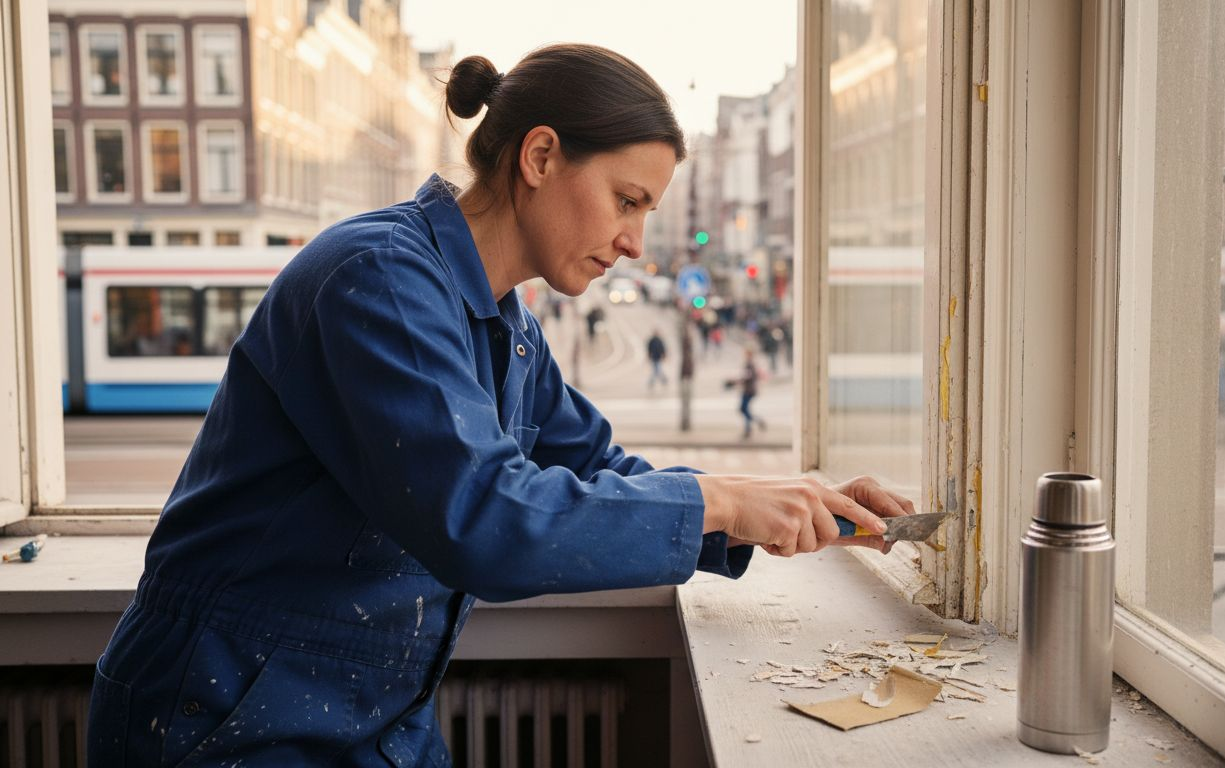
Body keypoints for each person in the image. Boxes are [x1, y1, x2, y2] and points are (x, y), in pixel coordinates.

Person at [86, 44, 913, 767]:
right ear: (541, 156)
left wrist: (791, 504)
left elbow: (600, 469)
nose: (635, 242)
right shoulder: (377, 279)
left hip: (370, 717)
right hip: (224, 714)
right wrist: (721, 502)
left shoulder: (505, 324)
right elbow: (482, 517)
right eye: (627, 201)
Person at [727, 348, 767, 439]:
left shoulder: (749, 364)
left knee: (743, 409)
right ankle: (752, 426)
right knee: (744, 409)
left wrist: (735, 381)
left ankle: (751, 427)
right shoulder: (750, 364)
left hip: (748, 391)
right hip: (749, 390)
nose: (745, 356)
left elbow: (746, 377)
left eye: (746, 354)